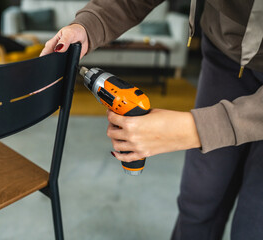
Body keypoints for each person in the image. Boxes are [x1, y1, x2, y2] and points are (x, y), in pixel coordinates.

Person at [40, 0, 263, 239]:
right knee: (197, 199)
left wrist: (194, 129)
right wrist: (88, 26)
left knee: (253, 224)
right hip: (226, 53)